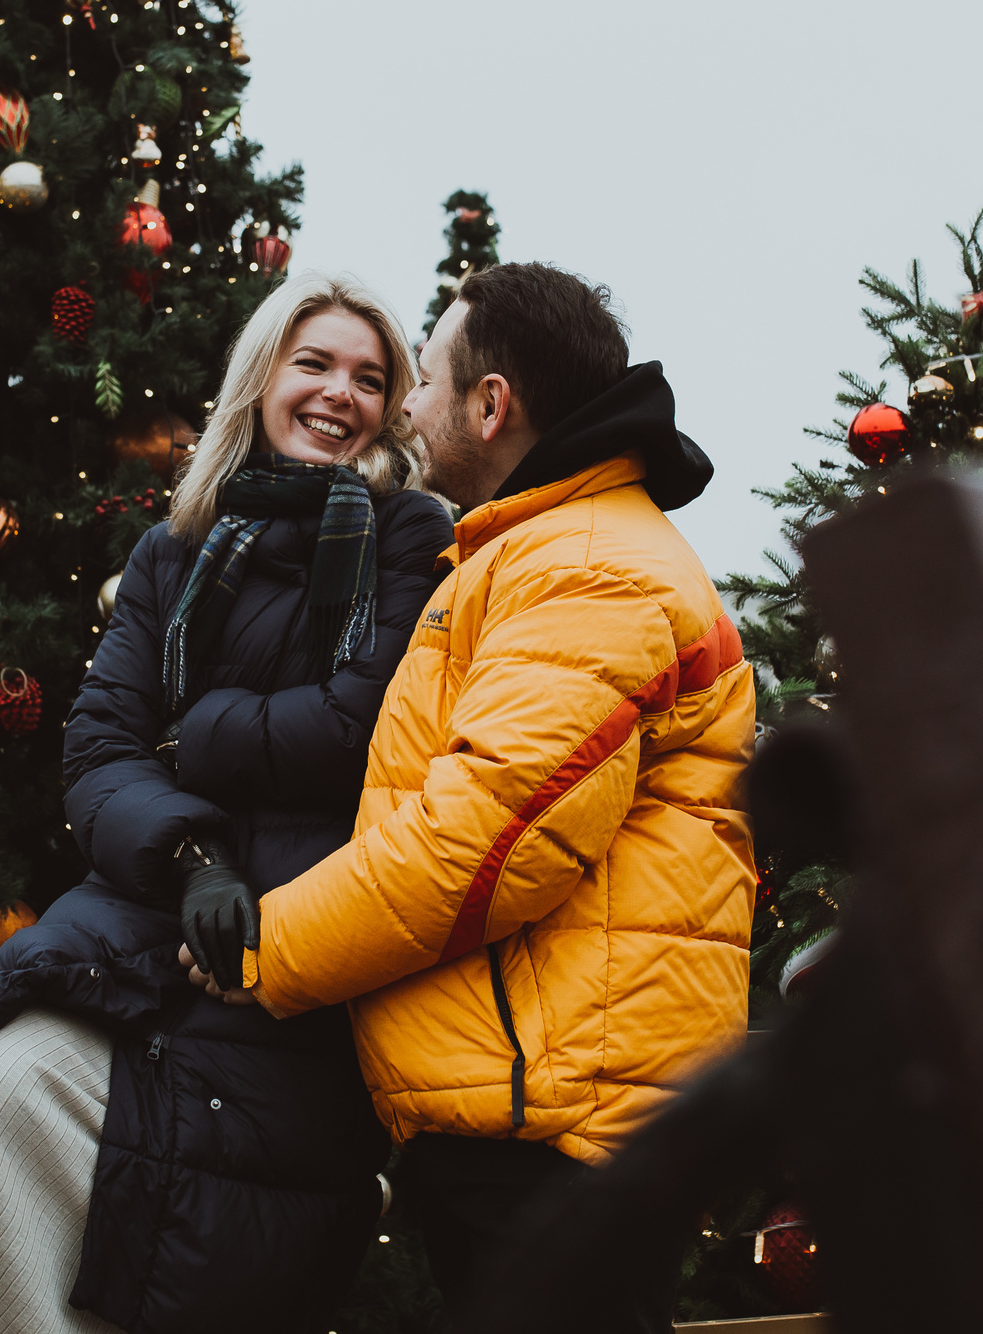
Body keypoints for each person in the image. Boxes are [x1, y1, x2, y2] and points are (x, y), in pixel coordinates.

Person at [0, 272, 455, 1334]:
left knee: (172, 1196)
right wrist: (191, 859)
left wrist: (198, 731)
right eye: (314, 364)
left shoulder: (410, 536)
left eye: (371, 379)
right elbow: (99, 747)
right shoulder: (175, 548)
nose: (340, 393)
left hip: (289, 949)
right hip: (152, 918)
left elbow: (356, 728)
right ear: (260, 379)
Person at [187, 261, 758, 1333]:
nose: (406, 405)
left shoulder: (586, 568)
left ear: (490, 405)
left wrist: (263, 950)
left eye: (425, 377)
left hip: (553, 1118)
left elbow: (483, 842)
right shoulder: (536, 548)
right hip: (532, 1097)